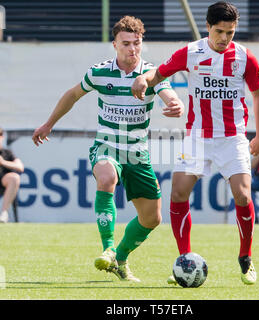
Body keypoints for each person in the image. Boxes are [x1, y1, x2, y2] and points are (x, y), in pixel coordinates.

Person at [32, 16, 184, 282]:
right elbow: (73, 95)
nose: (132, 49)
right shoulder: (99, 72)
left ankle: (120, 258)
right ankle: (108, 247)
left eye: (136, 43)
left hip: (137, 151)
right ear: (114, 44)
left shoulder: (151, 73)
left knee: (152, 218)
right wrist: (49, 124)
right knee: (106, 178)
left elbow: (168, 92)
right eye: (125, 43)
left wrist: (176, 104)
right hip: (107, 144)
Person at [132, 1, 259, 285]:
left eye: (230, 32)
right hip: (197, 135)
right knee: (178, 193)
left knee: (242, 195)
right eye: (219, 31)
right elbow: (157, 75)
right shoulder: (190, 52)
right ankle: (184, 259)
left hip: (233, 137)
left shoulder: (244, 57)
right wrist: (143, 81)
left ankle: (246, 258)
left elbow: (258, 95)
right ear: (207, 27)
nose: (224, 38)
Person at [0, 127, 24, 223]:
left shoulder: (7, 153)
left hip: (2, 182)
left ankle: (4, 213)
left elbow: (20, 167)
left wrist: (2, 162)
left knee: (14, 178)